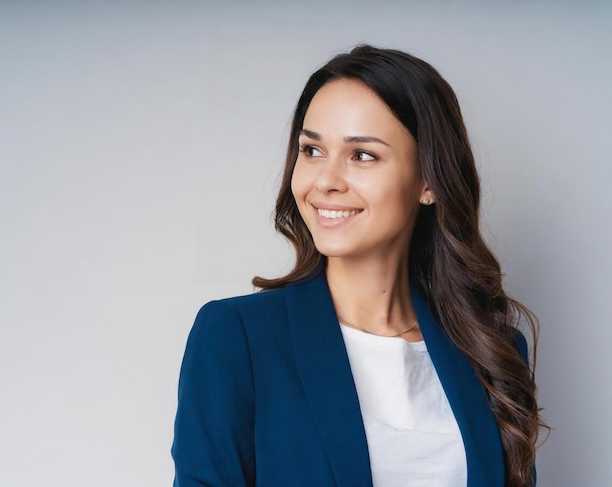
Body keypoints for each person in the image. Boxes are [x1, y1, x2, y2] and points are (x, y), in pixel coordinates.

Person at [172, 45, 544, 487]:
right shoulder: (238, 337)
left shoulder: (491, 348)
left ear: (429, 181)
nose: (325, 181)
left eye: (362, 155)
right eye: (311, 150)